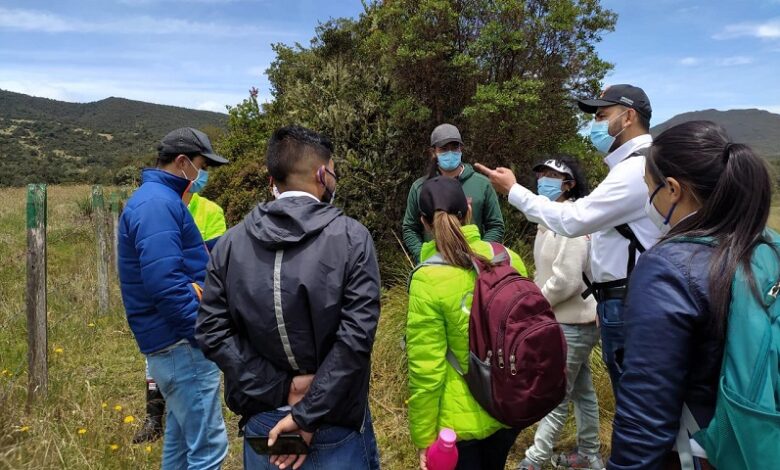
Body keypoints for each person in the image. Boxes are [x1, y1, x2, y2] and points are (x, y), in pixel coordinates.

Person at [195, 125, 382, 470]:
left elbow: (211, 332)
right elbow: (355, 340)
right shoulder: (353, 238)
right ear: (322, 174)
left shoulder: (230, 244)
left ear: (272, 181)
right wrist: (306, 412)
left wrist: (283, 390)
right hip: (334, 421)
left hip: (263, 419)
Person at [475, 84, 661, 395]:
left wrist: (514, 190)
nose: (596, 124)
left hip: (629, 300)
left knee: (635, 400)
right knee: (617, 394)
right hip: (620, 299)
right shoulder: (636, 165)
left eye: (602, 115)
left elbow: (572, 222)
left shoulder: (635, 170)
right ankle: (593, 446)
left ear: (628, 117)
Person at [608, 120, 772, 469]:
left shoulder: (667, 269)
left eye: (648, 188)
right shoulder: (765, 244)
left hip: (701, 454)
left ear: (672, 189)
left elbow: (645, 416)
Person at [117, 127, 229, 469]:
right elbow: (165, 282)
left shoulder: (156, 199)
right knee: (209, 449)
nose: (204, 174)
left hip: (172, 344)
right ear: (182, 162)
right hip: (181, 345)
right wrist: (202, 333)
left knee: (180, 443)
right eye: (201, 165)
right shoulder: (158, 204)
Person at [406, 176, 528, 470]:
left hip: (458, 425)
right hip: (508, 406)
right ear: (468, 211)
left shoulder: (427, 279)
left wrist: (423, 436)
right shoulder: (506, 257)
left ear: (424, 223)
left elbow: (427, 369)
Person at [518, 156, 603, 470]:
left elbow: (566, 279)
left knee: (556, 393)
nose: (544, 179)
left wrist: (534, 303)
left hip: (574, 320)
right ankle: (590, 454)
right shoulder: (549, 219)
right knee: (582, 391)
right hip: (565, 318)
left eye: (553, 175)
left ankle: (534, 459)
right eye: (541, 173)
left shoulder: (572, 220)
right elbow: (547, 271)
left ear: (569, 184)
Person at [132, 168, 227, 445]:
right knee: (155, 360)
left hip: (195, 295)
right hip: (161, 293)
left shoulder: (210, 211)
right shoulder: (157, 207)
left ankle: (189, 419)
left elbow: (215, 260)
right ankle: (153, 418)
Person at [403, 123, 504, 263]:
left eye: (454, 147)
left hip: (476, 265)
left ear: (461, 149)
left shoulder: (482, 184)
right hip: (435, 266)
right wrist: (423, 256)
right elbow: (410, 228)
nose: (450, 152)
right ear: (433, 152)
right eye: (443, 149)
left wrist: (481, 255)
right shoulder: (420, 187)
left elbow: (495, 225)